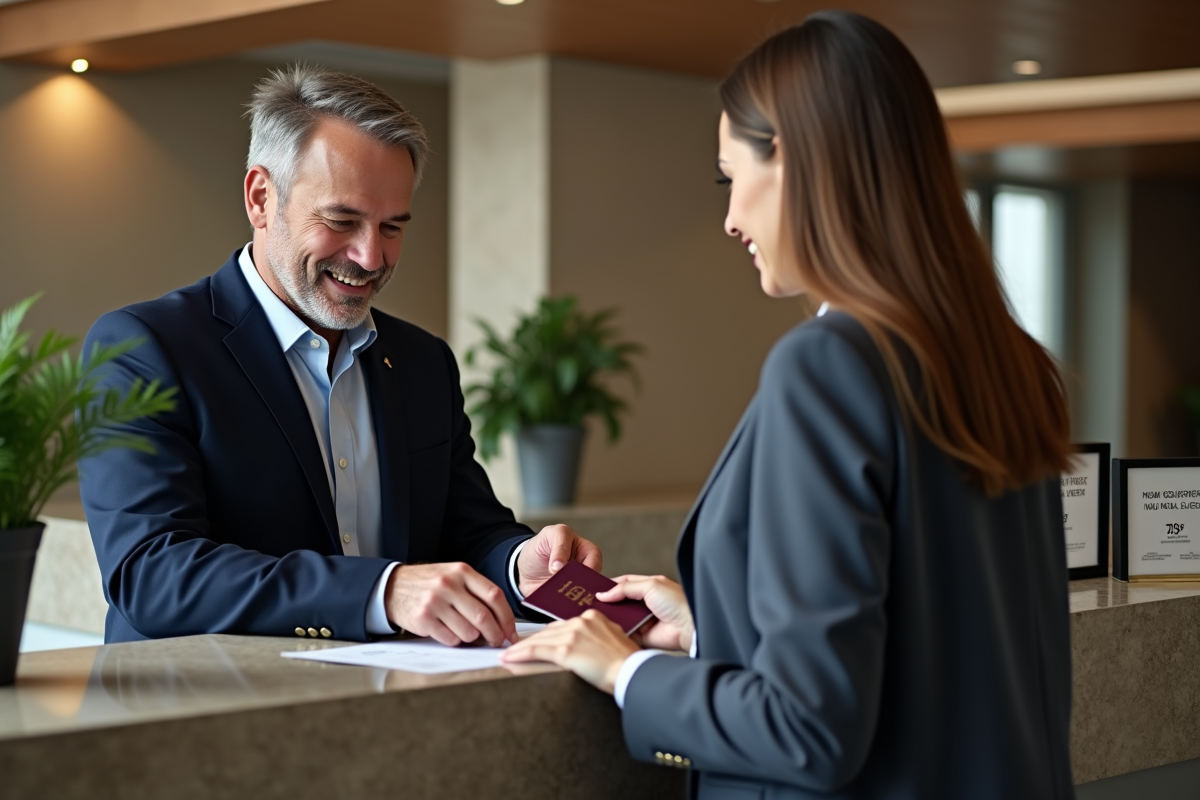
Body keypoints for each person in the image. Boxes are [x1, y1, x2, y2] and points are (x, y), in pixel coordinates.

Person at [503, 11, 1075, 799]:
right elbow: (934, 645)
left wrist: (627, 668)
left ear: (802, 163)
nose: (732, 219)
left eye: (730, 176)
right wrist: (710, 630)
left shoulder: (829, 365)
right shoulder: (1013, 362)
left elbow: (810, 731)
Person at [80, 65, 599, 646]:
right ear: (260, 197)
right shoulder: (143, 348)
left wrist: (518, 564)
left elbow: (467, 530)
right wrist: (382, 591)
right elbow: (151, 575)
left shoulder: (425, 362)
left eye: (393, 227)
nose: (371, 257)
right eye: (342, 220)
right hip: (206, 721)